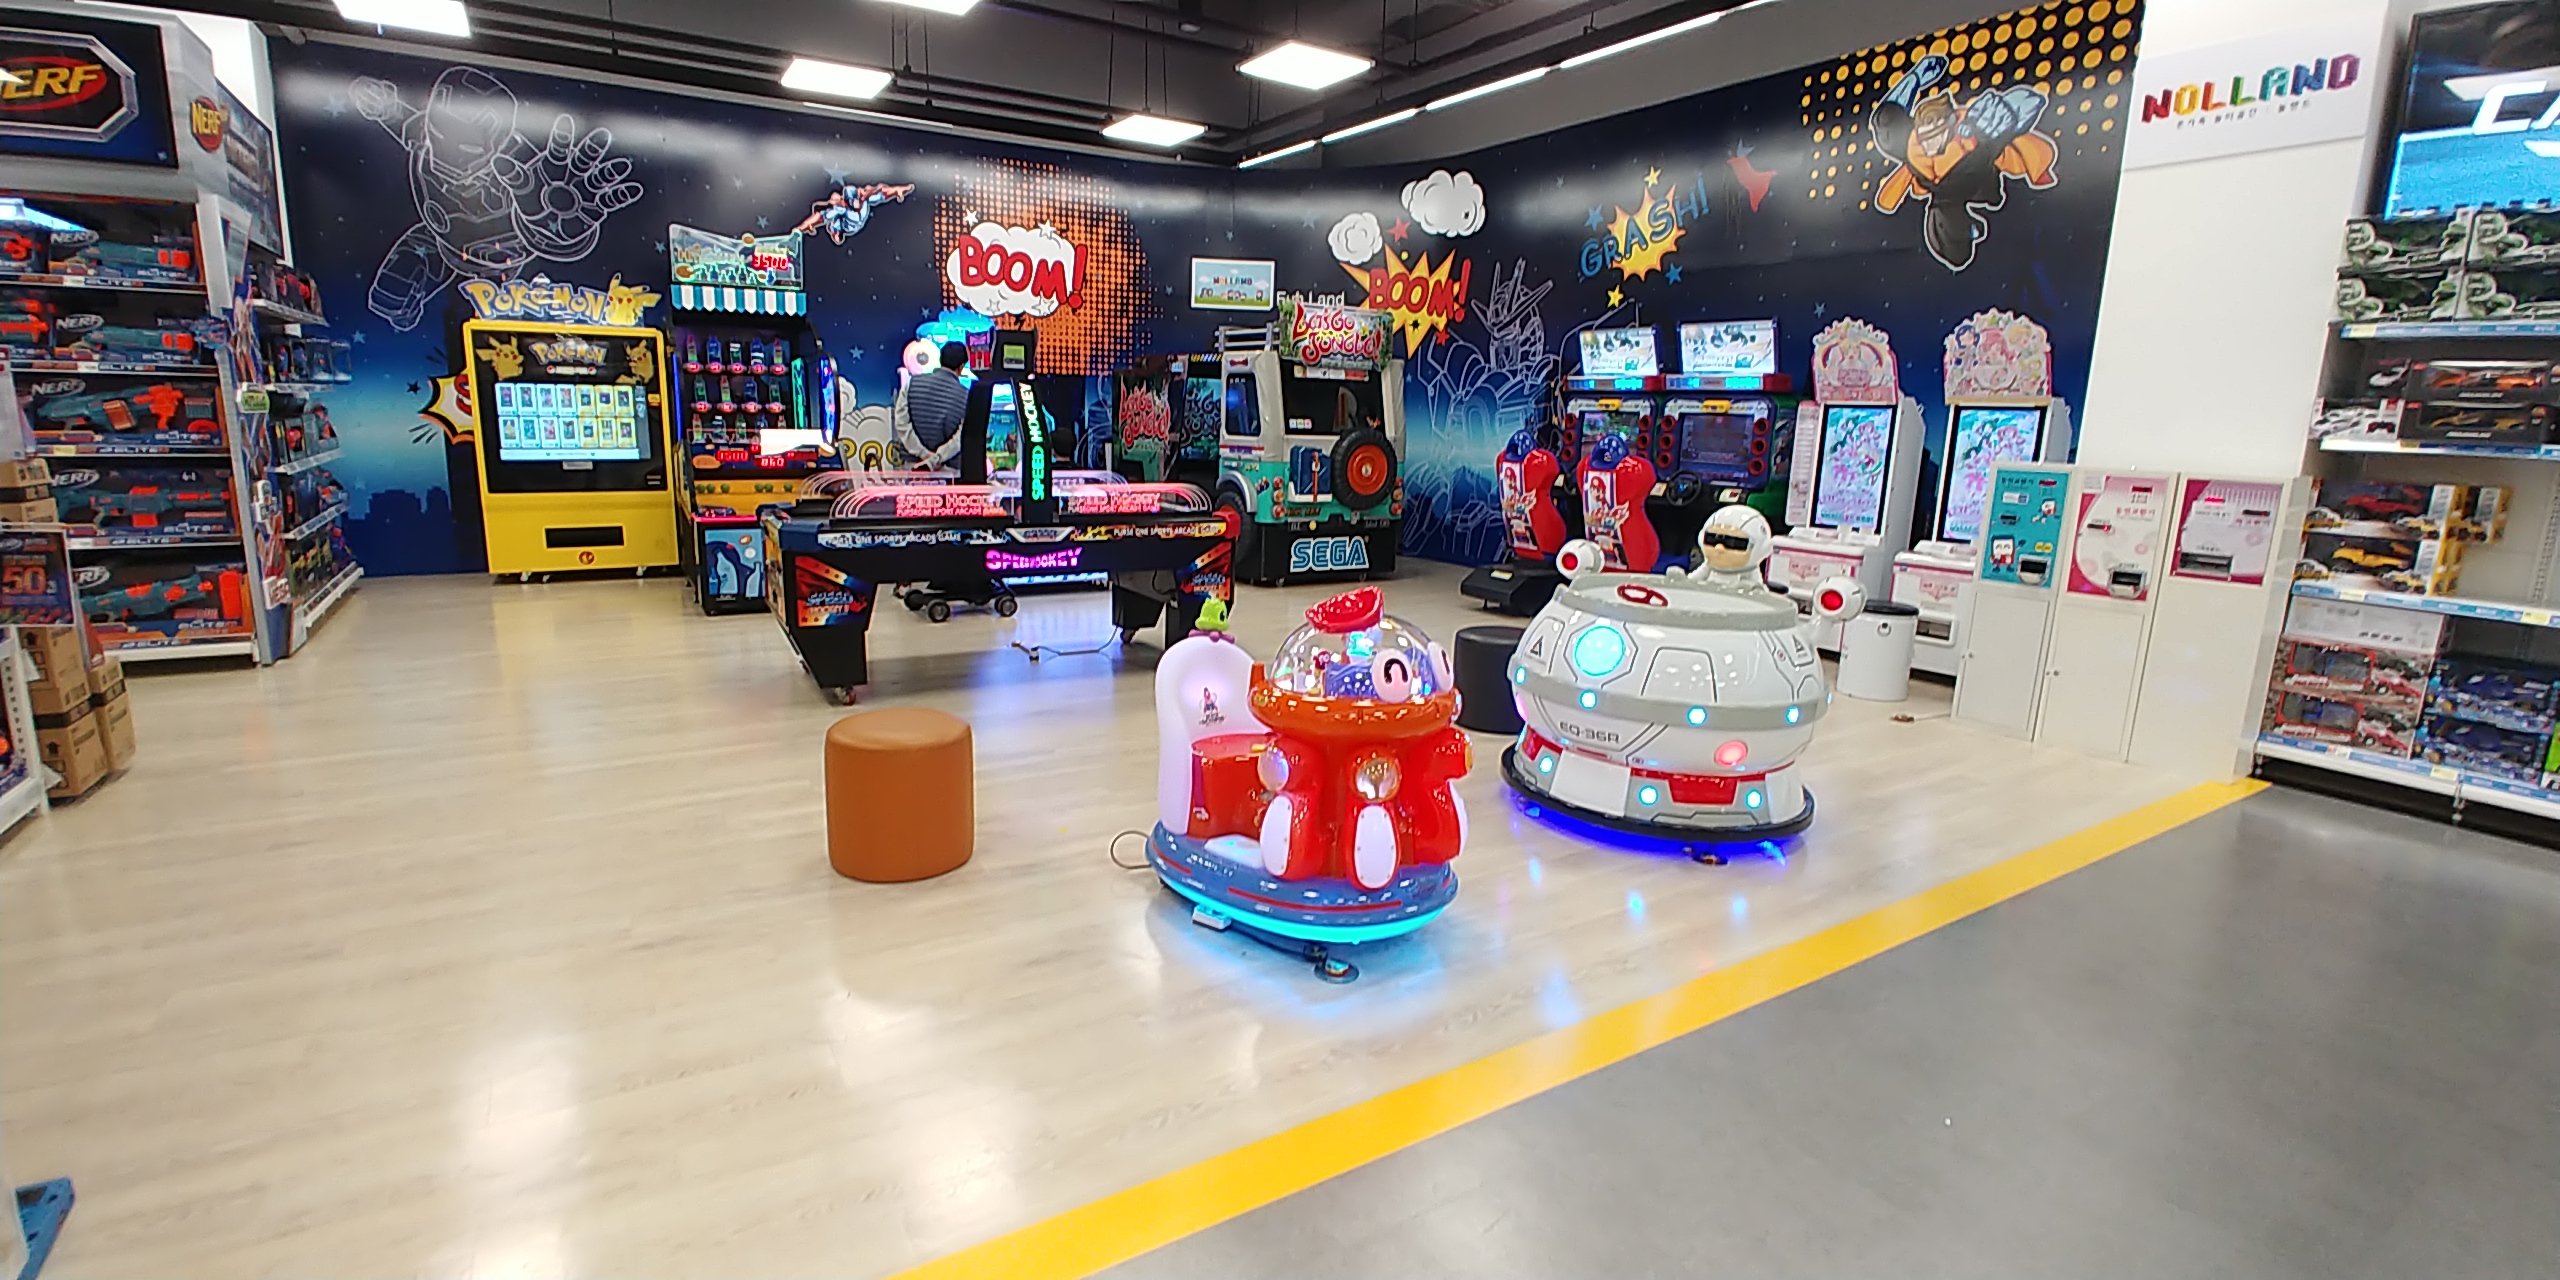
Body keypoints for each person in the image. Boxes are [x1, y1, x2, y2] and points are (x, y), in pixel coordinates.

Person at [894, 341, 972, 473]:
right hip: (947, 470)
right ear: (961, 367)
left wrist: (923, 453)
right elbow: (960, 438)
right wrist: (936, 459)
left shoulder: (912, 383)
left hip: (913, 466)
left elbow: (901, 423)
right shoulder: (965, 396)